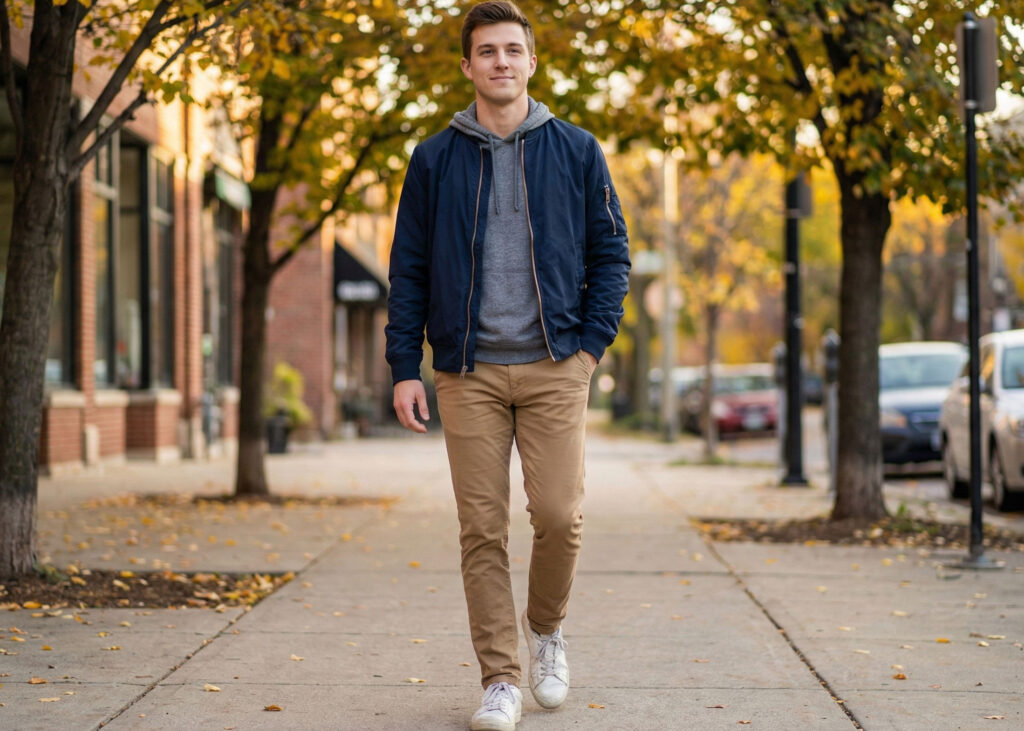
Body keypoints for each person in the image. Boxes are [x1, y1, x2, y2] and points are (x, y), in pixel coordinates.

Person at [385, 2, 629, 729]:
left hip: (557, 365)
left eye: (511, 50)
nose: (500, 61)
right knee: (481, 529)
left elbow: (612, 255)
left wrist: (589, 348)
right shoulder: (434, 159)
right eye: (486, 51)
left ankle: (546, 630)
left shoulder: (577, 150)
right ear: (467, 66)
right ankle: (500, 677)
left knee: (559, 515)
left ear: (530, 62)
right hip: (468, 371)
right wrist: (406, 364)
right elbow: (410, 268)